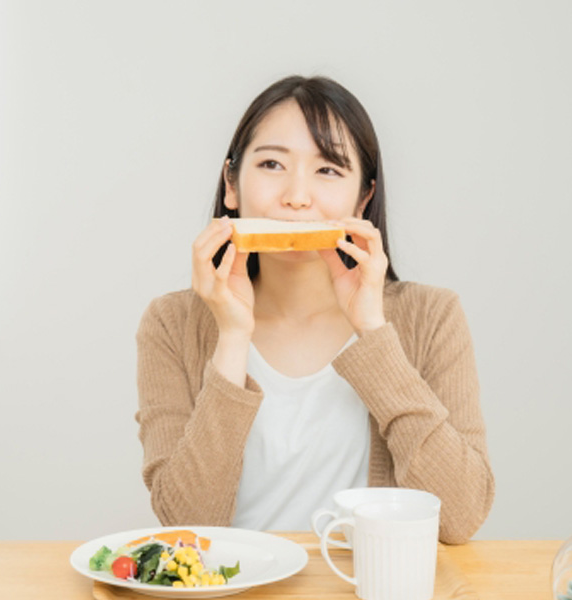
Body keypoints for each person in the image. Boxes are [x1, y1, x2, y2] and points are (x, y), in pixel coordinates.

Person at [134, 75, 494, 544]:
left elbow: (460, 516)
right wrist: (233, 336)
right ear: (231, 185)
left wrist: (373, 333)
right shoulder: (170, 324)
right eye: (271, 164)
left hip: (362, 581)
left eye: (328, 170)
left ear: (363, 198)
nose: (297, 196)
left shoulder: (433, 316)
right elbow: (188, 524)